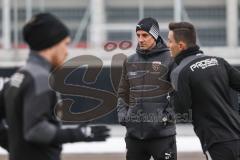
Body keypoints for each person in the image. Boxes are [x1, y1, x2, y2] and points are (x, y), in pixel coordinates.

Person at [4, 13, 109, 160]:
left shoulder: (17, 77)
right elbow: (36, 130)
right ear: (51, 43)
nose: (67, 51)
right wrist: (80, 134)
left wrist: (16, 148)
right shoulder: (39, 78)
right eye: (65, 44)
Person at [168, 22, 240, 160]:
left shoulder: (179, 72)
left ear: (181, 45)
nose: (168, 45)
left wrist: (169, 97)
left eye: (170, 41)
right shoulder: (219, 61)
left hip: (216, 142)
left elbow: (181, 111)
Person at [117, 17, 176, 160]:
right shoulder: (130, 61)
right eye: (138, 35)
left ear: (155, 36)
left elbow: (178, 94)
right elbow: (123, 93)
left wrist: (165, 118)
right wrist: (124, 116)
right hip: (134, 136)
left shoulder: (171, 59)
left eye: (145, 35)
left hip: (162, 136)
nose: (141, 39)